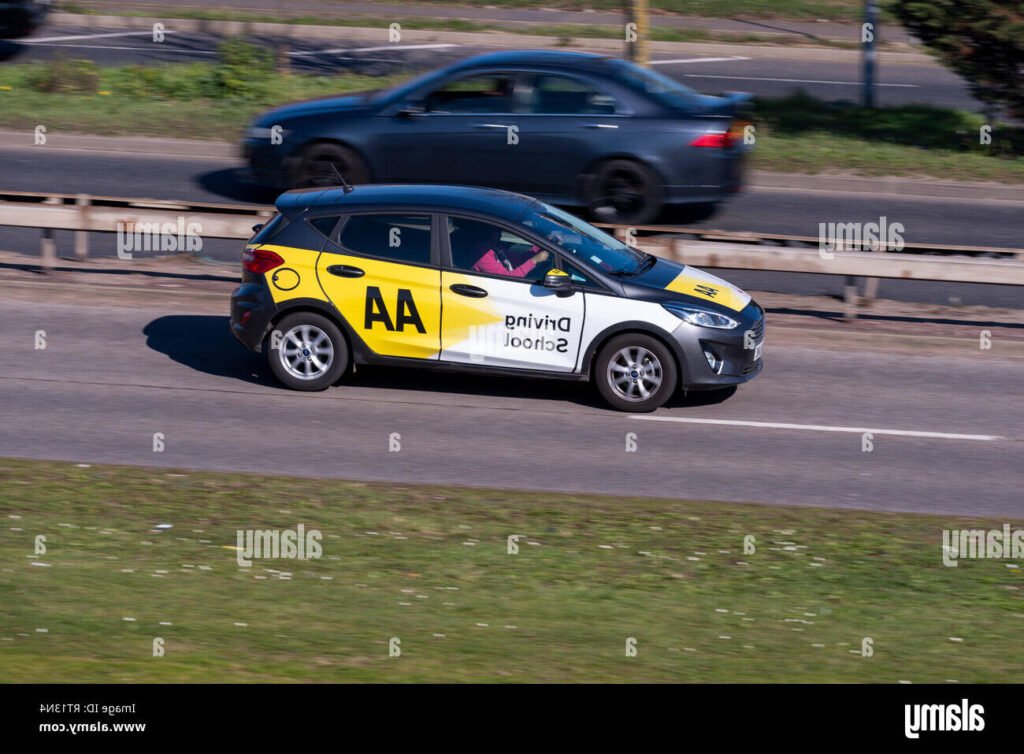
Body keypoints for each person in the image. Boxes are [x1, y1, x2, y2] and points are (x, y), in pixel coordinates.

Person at [467, 224, 549, 278]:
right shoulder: (482, 256)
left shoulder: (495, 247)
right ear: (487, 233)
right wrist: (534, 260)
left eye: (499, 231)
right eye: (496, 232)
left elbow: (518, 259)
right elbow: (510, 277)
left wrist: (541, 246)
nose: (499, 235)